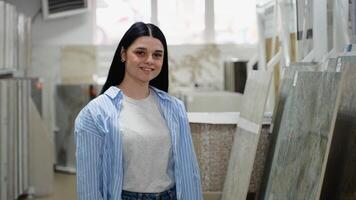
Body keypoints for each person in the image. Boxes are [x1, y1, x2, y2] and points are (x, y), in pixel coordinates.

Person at [74, 22, 203, 200]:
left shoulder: (175, 108)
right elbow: (88, 186)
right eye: (140, 52)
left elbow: (189, 172)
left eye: (157, 55)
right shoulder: (95, 113)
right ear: (123, 54)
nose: (150, 60)